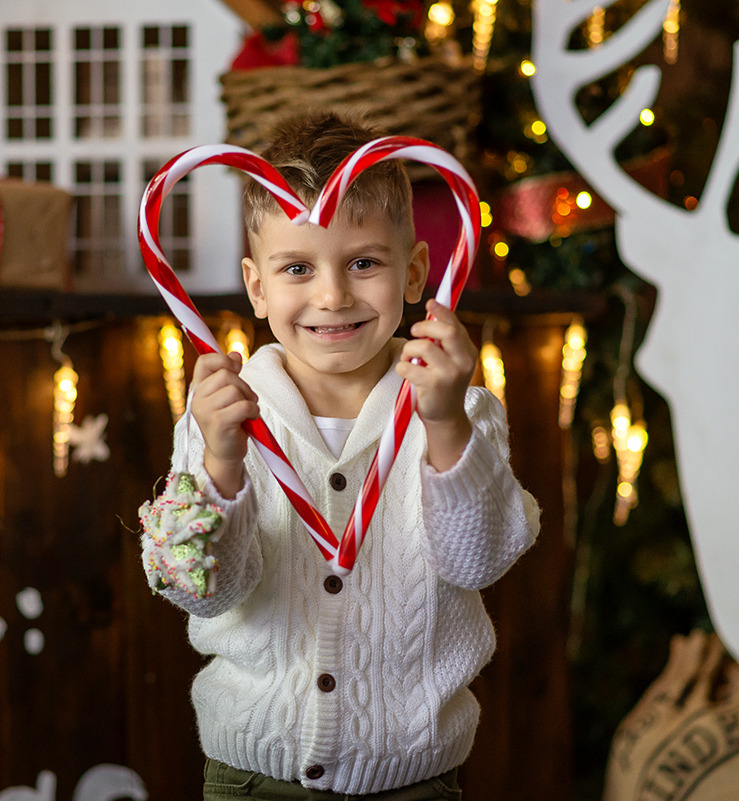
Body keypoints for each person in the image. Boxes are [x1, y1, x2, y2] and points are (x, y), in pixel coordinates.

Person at [143, 111, 540, 800]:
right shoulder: (223, 416)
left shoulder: (459, 410)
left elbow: (480, 559)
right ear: (257, 286)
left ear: (415, 272)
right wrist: (221, 467)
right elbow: (199, 590)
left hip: (413, 781)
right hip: (251, 780)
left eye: (363, 261)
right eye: (297, 267)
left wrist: (444, 423)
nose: (333, 295)